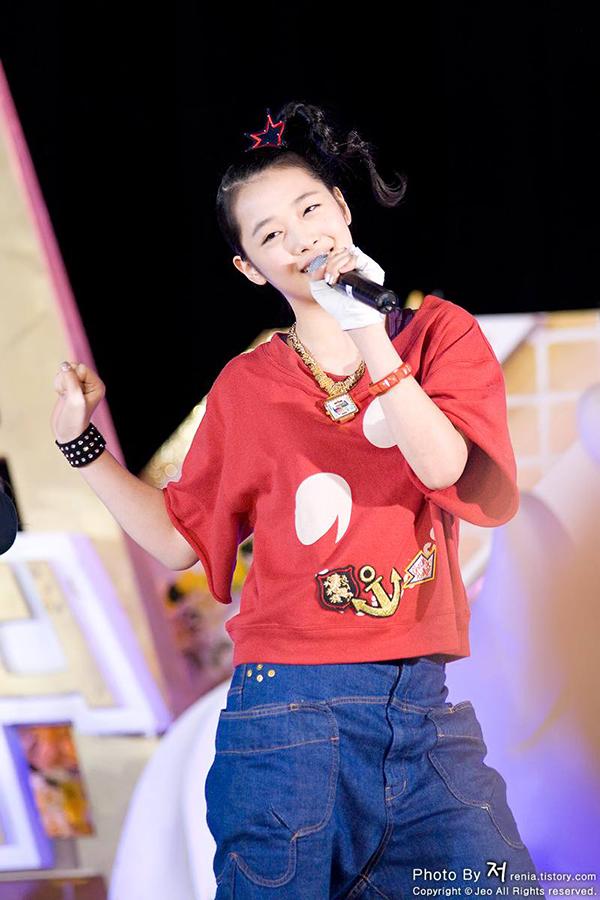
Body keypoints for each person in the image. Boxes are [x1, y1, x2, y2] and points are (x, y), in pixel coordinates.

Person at [51, 101, 543, 898]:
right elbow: (179, 537)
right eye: (271, 234)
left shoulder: (438, 335)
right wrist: (82, 448)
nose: (302, 237)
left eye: (310, 209)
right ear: (251, 268)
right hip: (287, 718)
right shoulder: (248, 386)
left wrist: (368, 328)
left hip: (424, 717)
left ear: (342, 208)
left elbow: (446, 466)